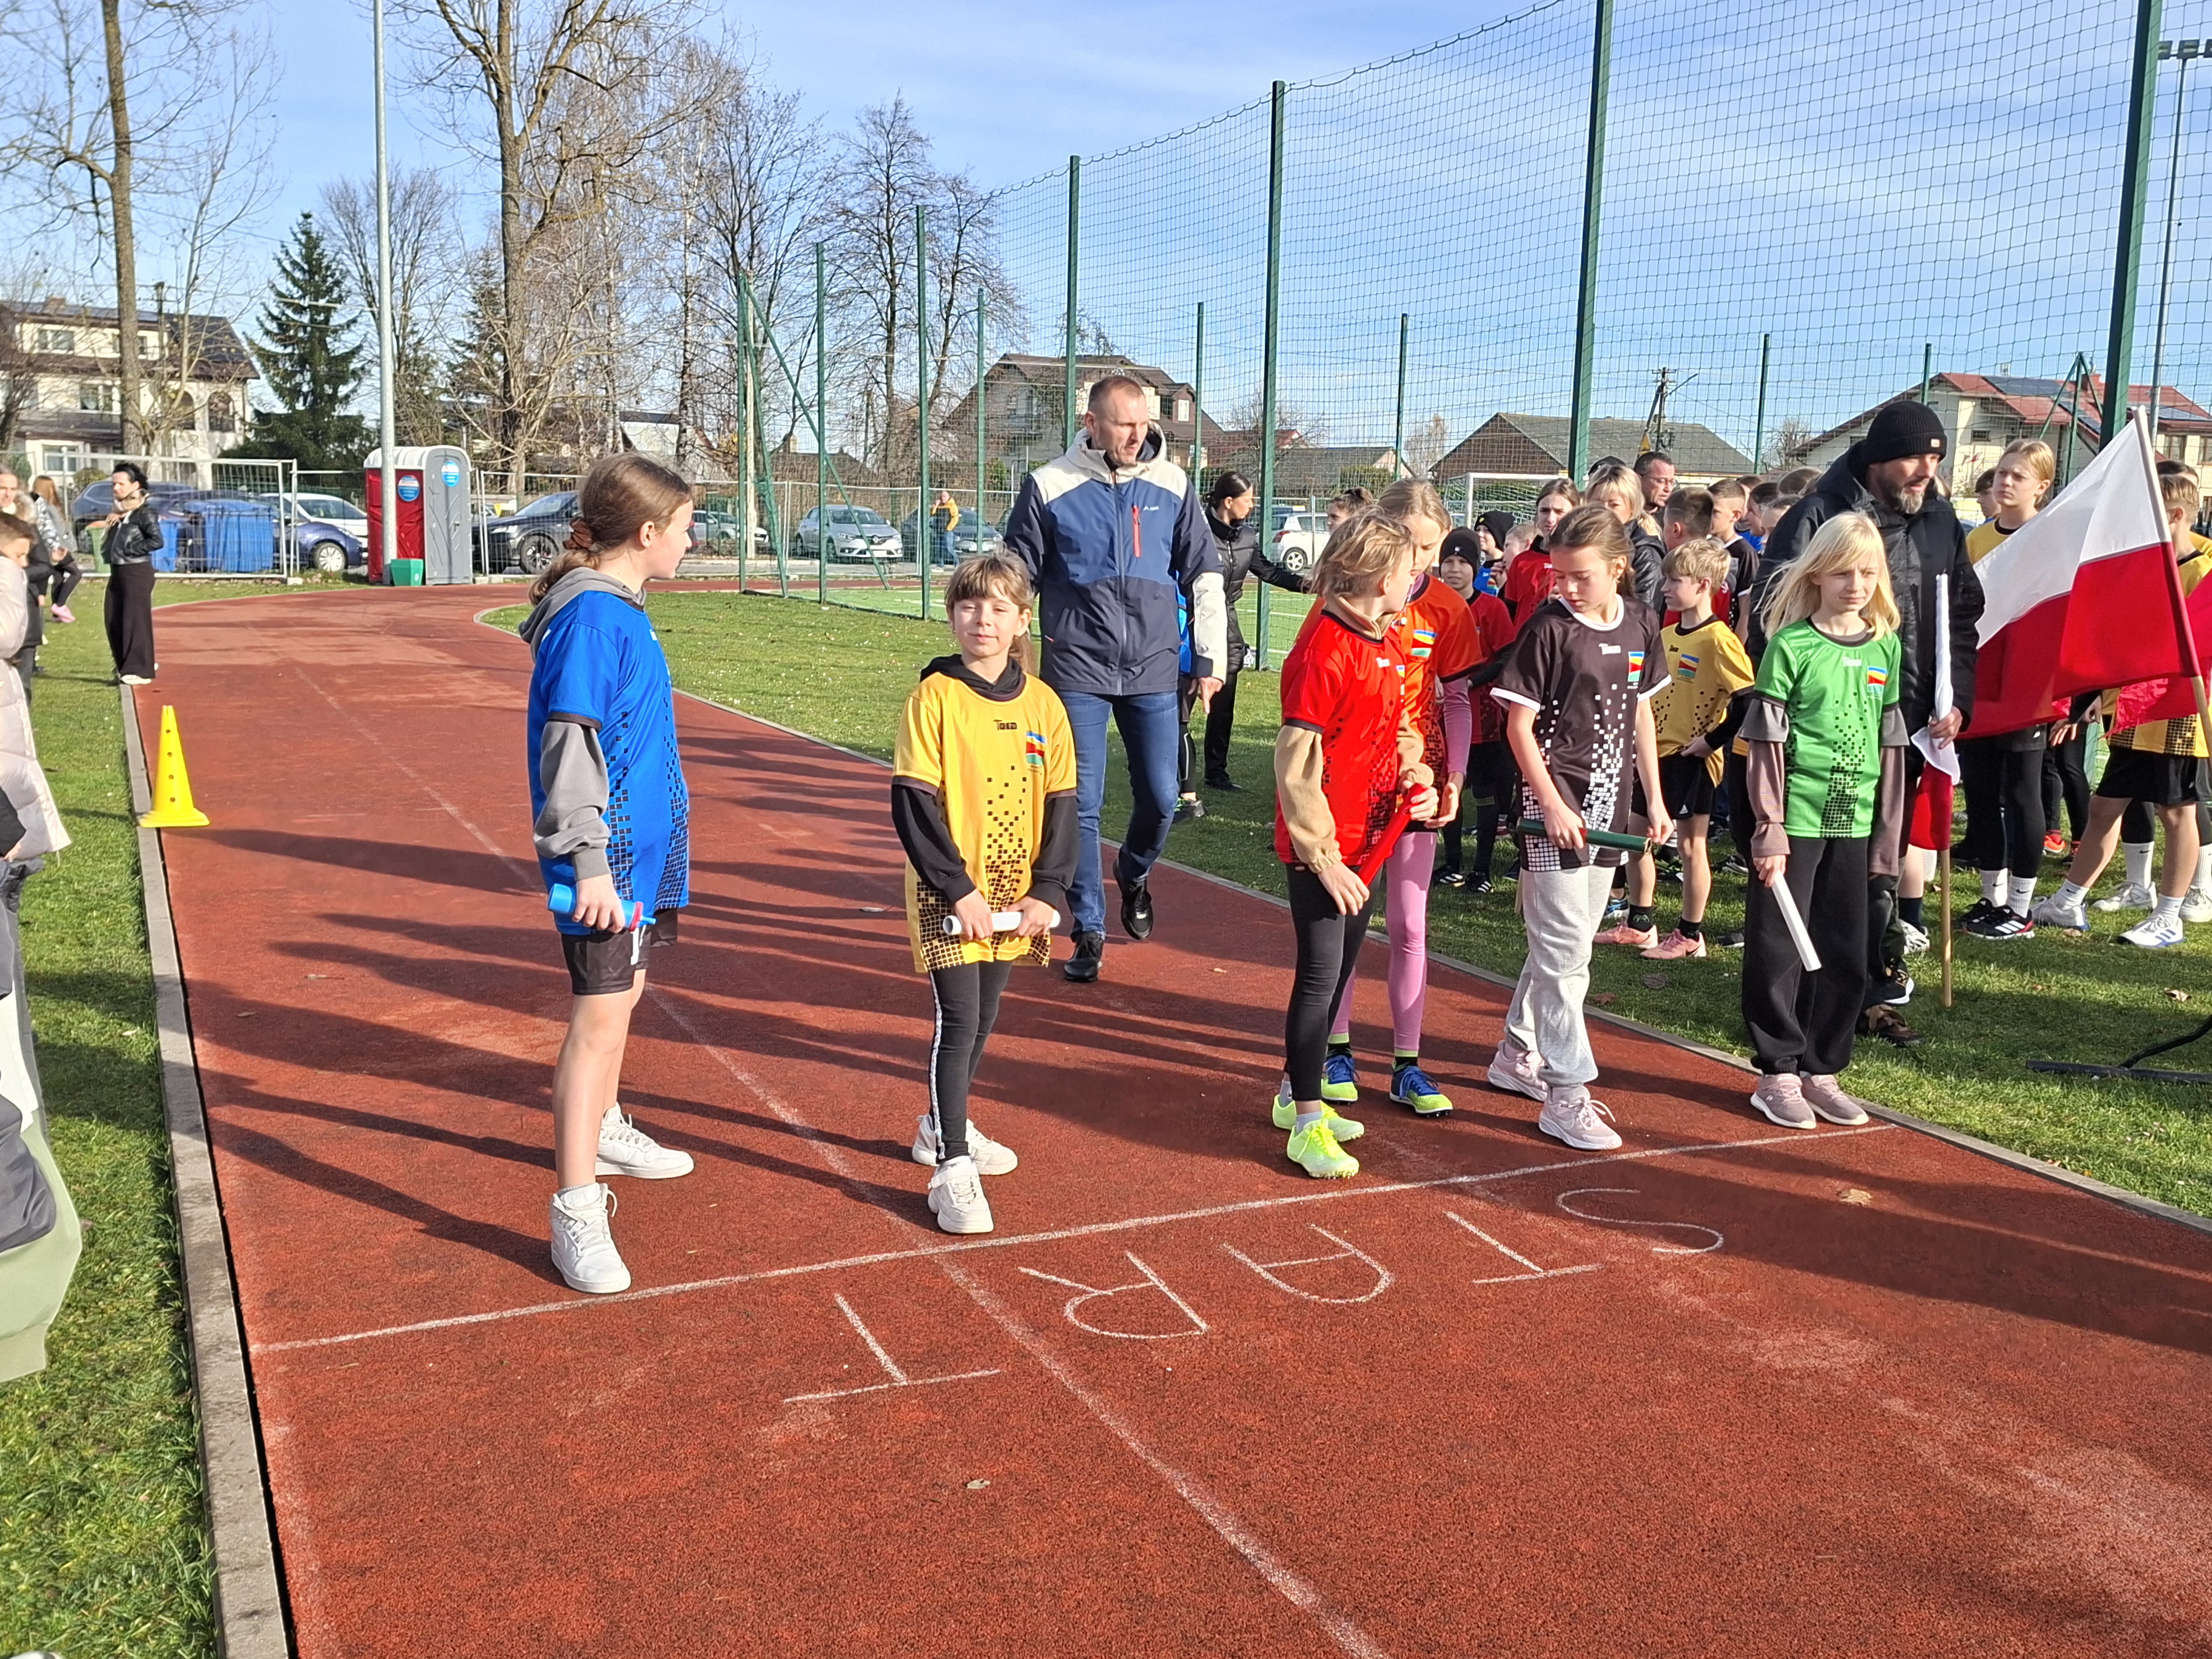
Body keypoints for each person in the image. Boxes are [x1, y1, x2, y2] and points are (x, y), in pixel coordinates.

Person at [518, 454, 700, 1297]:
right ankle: (575, 1207)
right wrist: (588, 864)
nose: (692, 543)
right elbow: (570, 748)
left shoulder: (623, 608)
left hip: (642, 856)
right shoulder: (592, 619)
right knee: (597, 1021)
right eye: (687, 528)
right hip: (607, 861)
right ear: (650, 531)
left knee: (625, 1000)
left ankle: (607, 1125)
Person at [1751, 400, 1980, 1050]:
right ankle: (1788, 1015)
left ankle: (1868, 994)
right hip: (1811, 744)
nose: (1926, 471)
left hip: (1902, 728)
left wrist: (1957, 697)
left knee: (1879, 867)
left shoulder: (1941, 519)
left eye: (1936, 458)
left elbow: (1962, 614)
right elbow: (1768, 618)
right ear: (1879, 457)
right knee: (1802, 886)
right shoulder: (1817, 515)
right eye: (1914, 457)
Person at [1003, 373, 1227, 985]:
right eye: (1125, 424)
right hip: (1076, 667)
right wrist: (1005, 656)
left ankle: (1133, 871)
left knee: (1162, 795)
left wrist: (1209, 661)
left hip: (1154, 667)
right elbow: (1016, 579)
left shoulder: (1172, 484)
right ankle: (1089, 928)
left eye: (1143, 423)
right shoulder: (1049, 485)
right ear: (1093, 423)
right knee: (1079, 802)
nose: (1137, 435)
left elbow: (1204, 575)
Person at [891, 555, 1077, 1235]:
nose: (983, 620)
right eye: (970, 606)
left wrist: (1048, 888)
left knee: (987, 1013)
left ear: (1022, 620)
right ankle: (953, 1165)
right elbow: (913, 802)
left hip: (1014, 892)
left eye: (1000, 608)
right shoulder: (934, 698)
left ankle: (941, 1124)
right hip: (950, 893)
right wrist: (958, 889)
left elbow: (1063, 803)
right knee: (959, 1017)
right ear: (952, 615)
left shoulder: (1044, 704)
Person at [1486, 504, 1669, 1151]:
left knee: (1568, 948)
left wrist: (1655, 798)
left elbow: (1641, 715)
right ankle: (1567, 1091)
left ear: (1617, 568)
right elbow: (1518, 727)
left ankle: (1516, 1051)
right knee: (1565, 955)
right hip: (1553, 806)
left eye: (1579, 576)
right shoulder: (1547, 630)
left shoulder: (1642, 621)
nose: (1564, 587)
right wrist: (1552, 806)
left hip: (1609, 805)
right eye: (1558, 575)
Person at [1269, 511, 1433, 1179]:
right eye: (1408, 570)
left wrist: (1417, 772)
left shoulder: (1385, 638)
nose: (1415, 579)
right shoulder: (1325, 647)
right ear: (1377, 576)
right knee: (1319, 977)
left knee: (1338, 974)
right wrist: (1322, 856)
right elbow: (1295, 762)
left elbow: (1396, 726)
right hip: (1327, 846)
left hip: (1369, 837)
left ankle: (1295, 1093)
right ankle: (1307, 1121)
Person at [1320, 481, 1483, 1116]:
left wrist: (1454, 777)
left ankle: (1406, 1065)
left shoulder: (1448, 608)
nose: (1419, 561)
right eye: (1409, 545)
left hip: (1420, 784)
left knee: (1411, 924)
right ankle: (1335, 1050)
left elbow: (1459, 700)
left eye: (1430, 547)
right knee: (1347, 920)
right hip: (1355, 783)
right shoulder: (1347, 603)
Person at [1739, 513, 1902, 1129]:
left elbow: (1891, 747)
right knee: (1779, 947)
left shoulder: (1885, 646)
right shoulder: (1791, 647)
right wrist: (1769, 825)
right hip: (1795, 824)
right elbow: (1766, 744)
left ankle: (1822, 1068)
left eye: (1867, 573)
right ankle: (1777, 1071)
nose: (1855, 586)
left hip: (1854, 826)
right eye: (1842, 573)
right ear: (1816, 574)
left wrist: (1887, 835)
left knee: (1845, 949)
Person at [2033, 466, 2210, 949]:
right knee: (2106, 804)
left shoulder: (2203, 573)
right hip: (2133, 710)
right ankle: (2069, 900)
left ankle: (2169, 914)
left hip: (2177, 714)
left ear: (2176, 515)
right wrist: (2094, 694)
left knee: (2177, 812)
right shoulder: (2146, 568)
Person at [1955, 440, 2056, 940]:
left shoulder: (2051, 539)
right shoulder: (1976, 540)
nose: (2006, 482)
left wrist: (2068, 697)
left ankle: (2021, 907)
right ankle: (1991, 898)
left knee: (2021, 792)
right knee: (1979, 791)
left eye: (2018, 476)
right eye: (2002, 473)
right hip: (1980, 683)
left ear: (2042, 487)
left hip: (2028, 689)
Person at [1640, 537, 1756, 959]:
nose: (1665, 588)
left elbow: (1748, 701)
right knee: (1636, 838)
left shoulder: (1720, 640)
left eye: (1675, 581)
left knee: (1691, 847)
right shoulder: (1666, 634)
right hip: (1655, 754)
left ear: (1704, 585)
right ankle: (1639, 922)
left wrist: (1710, 742)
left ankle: (1690, 935)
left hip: (1693, 759)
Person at [1201, 471, 1306, 792]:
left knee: (1224, 706)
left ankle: (1216, 774)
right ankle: (1178, 779)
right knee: (1181, 706)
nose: (1252, 506)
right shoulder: (1196, 531)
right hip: (1192, 621)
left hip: (1228, 626)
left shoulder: (1247, 537)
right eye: (1248, 500)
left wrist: (1305, 584)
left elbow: (1268, 571)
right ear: (1228, 502)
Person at [100, 462, 161, 685]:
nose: (116, 488)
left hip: (136, 571)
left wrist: (130, 549)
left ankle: (140, 669)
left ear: (135, 486)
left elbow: (157, 541)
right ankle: (125, 666)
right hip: (118, 571)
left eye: (121, 484)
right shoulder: (122, 513)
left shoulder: (145, 512)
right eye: (113, 484)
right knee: (113, 618)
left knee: (135, 620)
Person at [1584, 458, 1663, 609]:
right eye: (1598, 503)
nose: (1605, 510)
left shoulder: (1645, 555)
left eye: (1614, 504)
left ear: (1632, 506)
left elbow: (1644, 614)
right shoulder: (1579, 543)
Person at [1502, 478, 1577, 621]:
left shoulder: (1582, 560)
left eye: (1559, 512)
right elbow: (1510, 614)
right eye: (1545, 511)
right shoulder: (1522, 561)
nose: (1551, 519)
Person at [29, 479, 78, 624]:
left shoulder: (46, 504)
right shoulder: (43, 504)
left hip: (55, 545)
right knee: (76, 573)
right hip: (56, 546)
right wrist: (57, 546)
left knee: (58, 575)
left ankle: (57, 614)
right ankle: (59, 605)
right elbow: (48, 528)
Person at [1632, 451, 1677, 540]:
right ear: (1638, 479)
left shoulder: (1674, 518)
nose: (1668, 489)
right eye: (1661, 481)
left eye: (1671, 482)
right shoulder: (1624, 515)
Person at [930, 489, 961, 566]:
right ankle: (941, 564)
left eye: (945, 496)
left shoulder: (952, 506)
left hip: (947, 531)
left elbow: (955, 518)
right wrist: (936, 506)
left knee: (949, 547)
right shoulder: (940, 506)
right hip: (939, 531)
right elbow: (932, 513)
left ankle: (957, 562)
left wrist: (949, 528)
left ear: (948, 497)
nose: (943, 498)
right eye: (942, 497)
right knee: (939, 548)